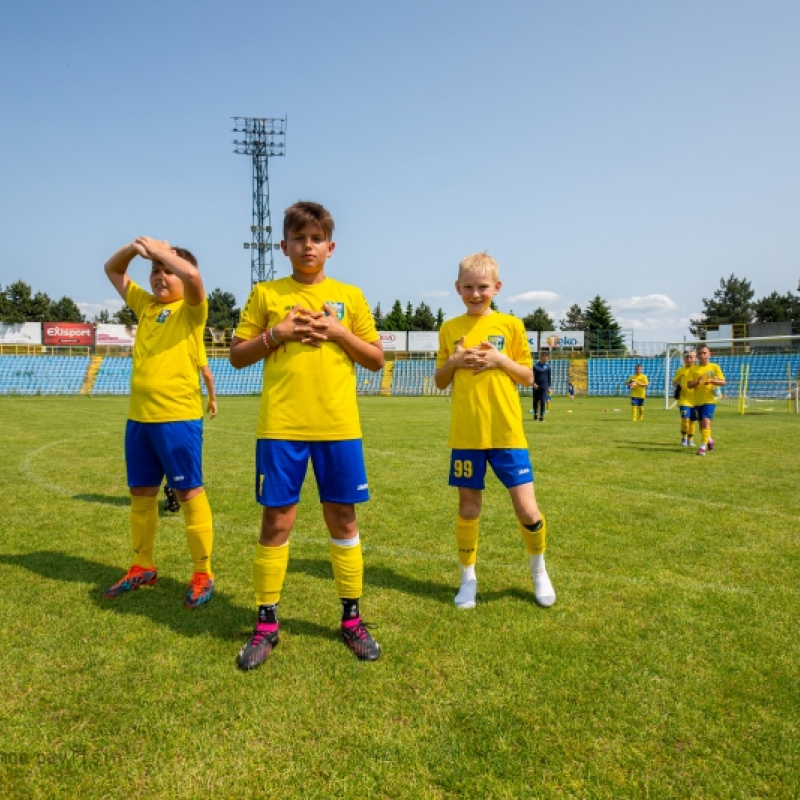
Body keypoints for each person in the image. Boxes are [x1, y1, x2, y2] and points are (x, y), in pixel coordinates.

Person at [231, 201, 385, 670]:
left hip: (339, 427)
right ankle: (265, 624)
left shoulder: (351, 297)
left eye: (317, 239)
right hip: (281, 427)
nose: (308, 246)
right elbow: (237, 356)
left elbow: (376, 360)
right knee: (276, 522)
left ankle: (352, 619)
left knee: (343, 519)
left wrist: (339, 331)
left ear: (331, 247)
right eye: (299, 238)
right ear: (284, 246)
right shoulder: (265, 294)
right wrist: (275, 335)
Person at [434, 252, 556, 611]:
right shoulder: (449, 328)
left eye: (482, 287)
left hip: (506, 433)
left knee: (527, 510)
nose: (475, 294)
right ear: (457, 288)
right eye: (468, 287)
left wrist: (500, 360)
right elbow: (441, 381)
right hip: (467, 435)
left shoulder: (511, 326)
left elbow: (529, 377)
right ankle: (467, 578)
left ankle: (538, 571)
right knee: (469, 509)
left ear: (496, 288)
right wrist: (454, 362)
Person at [102, 237, 215, 609]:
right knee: (141, 494)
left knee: (188, 493)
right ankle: (142, 566)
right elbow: (112, 269)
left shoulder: (191, 310)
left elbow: (194, 276)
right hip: (139, 419)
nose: (160, 276)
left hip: (177, 419)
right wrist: (138, 250)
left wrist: (163, 254)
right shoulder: (145, 306)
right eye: (155, 271)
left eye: (168, 271)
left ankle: (202, 573)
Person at [163, 347, 217, 513]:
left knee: (166, 452)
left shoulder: (163, 350)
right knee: (188, 456)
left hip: (162, 410)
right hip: (187, 411)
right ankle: (178, 488)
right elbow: (207, 374)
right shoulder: (192, 343)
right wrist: (212, 399)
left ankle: (172, 485)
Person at [687, 345, 726, 456]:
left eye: (704, 353)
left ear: (709, 354)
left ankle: (702, 447)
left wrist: (712, 381)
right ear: (697, 356)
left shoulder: (714, 367)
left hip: (710, 399)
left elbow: (723, 382)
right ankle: (709, 440)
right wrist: (697, 383)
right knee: (701, 425)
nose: (702, 355)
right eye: (700, 353)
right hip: (697, 400)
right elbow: (689, 384)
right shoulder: (693, 369)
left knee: (705, 420)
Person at [671, 350, 697, 447]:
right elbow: (674, 381)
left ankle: (691, 439)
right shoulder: (680, 370)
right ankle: (684, 437)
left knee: (692, 420)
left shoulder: (698, 370)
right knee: (685, 419)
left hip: (695, 399)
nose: (689, 359)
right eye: (687, 357)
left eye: (691, 357)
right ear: (684, 359)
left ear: (695, 358)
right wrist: (676, 385)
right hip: (684, 399)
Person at [530, 351, 551, 421]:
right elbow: (532, 376)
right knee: (535, 401)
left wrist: (549, 387)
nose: (546, 358)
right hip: (536, 385)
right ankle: (535, 413)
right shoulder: (535, 366)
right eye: (545, 357)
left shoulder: (548, 367)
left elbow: (549, 377)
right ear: (541, 357)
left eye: (547, 357)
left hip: (544, 386)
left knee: (543, 400)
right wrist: (533, 383)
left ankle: (541, 416)